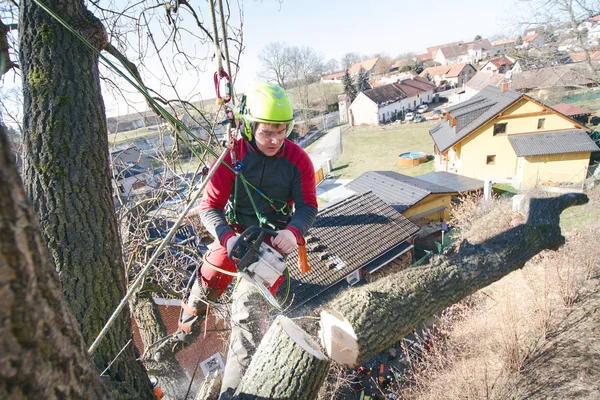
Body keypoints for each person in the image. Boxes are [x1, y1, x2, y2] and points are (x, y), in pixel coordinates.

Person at [154, 82, 318, 398]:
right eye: (268, 131)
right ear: (250, 126)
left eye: (282, 131)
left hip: (272, 244)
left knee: (247, 309)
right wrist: (227, 239)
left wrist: (292, 232)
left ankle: (234, 391)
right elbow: (209, 207)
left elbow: (308, 205)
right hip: (236, 234)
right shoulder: (233, 156)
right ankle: (186, 326)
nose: (276, 139)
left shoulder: (297, 160)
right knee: (210, 274)